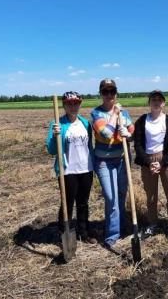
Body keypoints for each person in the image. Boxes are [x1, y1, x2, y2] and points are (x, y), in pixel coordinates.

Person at [46, 91, 96, 244]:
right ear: (64, 105)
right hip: (67, 170)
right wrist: (55, 137)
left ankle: (83, 232)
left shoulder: (85, 123)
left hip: (86, 169)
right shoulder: (57, 124)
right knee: (67, 203)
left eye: (76, 103)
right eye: (69, 103)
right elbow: (51, 149)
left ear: (80, 104)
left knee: (83, 202)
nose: (73, 106)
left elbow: (89, 146)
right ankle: (63, 233)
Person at [91, 78, 135, 249]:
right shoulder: (96, 113)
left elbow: (132, 132)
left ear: (116, 93)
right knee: (111, 197)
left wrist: (128, 133)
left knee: (122, 193)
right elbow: (106, 133)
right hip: (104, 162)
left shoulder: (125, 114)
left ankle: (121, 226)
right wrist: (116, 114)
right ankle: (112, 234)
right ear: (101, 94)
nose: (109, 95)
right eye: (105, 92)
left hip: (122, 159)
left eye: (112, 91)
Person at [133, 90, 168, 241]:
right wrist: (149, 162)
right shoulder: (141, 121)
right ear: (149, 103)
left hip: (166, 160)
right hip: (148, 161)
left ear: (164, 103)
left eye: (159, 100)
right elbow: (138, 145)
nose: (156, 102)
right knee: (151, 197)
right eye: (153, 99)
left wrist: (162, 163)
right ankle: (152, 224)